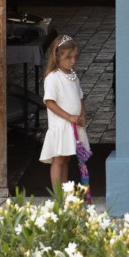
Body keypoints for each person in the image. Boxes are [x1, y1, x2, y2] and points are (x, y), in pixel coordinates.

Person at [40, 34, 89, 193]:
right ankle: (58, 194)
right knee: (59, 158)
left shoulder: (73, 76)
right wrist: (69, 117)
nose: (73, 61)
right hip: (62, 124)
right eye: (68, 57)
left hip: (73, 125)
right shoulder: (53, 78)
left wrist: (83, 114)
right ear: (57, 56)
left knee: (66, 157)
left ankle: (66, 191)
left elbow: (80, 96)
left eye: (75, 57)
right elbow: (49, 102)